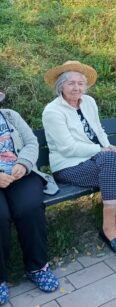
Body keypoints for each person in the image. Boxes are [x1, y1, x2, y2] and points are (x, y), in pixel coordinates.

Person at [42, 61, 116, 259]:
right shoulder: (52, 111)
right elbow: (67, 148)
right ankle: (112, 229)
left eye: (81, 83)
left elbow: (99, 130)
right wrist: (102, 150)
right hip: (69, 166)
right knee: (115, 168)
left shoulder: (89, 102)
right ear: (60, 85)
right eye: (71, 83)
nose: (76, 87)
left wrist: (108, 147)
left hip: (97, 161)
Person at [0, 92, 59, 305]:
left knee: (30, 208)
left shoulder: (11, 116)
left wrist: (23, 164)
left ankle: (37, 267)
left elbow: (31, 142)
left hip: (19, 174)